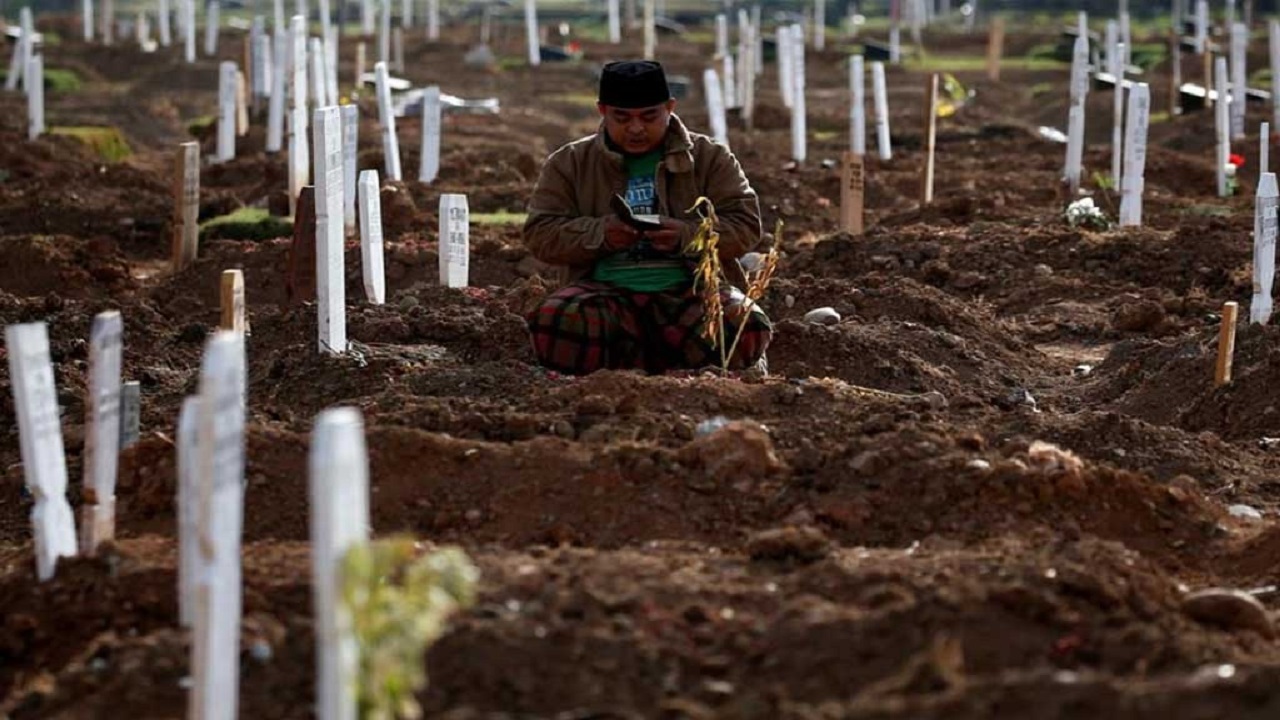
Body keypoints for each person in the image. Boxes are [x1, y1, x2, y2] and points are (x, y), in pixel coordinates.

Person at [523, 60, 772, 375]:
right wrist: (601, 234)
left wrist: (686, 236)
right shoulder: (570, 163)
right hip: (605, 292)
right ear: (602, 111)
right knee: (556, 321)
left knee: (742, 323)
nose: (636, 128)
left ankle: (656, 364)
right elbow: (539, 233)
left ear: (669, 107)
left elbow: (746, 225)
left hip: (690, 290)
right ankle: (635, 368)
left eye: (649, 116)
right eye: (622, 117)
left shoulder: (710, 158)